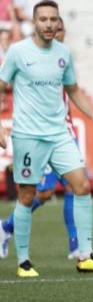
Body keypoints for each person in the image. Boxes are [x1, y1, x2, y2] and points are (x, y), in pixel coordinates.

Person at [0, 0, 93, 278]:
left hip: (59, 135)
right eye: (44, 19)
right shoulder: (17, 52)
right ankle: (24, 261)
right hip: (28, 136)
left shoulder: (64, 53)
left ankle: (85, 255)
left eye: (54, 19)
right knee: (28, 196)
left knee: (82, 186)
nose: (49, 24)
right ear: (34, 22)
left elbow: (73, 89)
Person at [0, 17, 80, 260]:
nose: (57, 34)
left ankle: (76, 247)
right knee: (42, 194)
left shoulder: (64, 59)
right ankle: (6, 227)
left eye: (61, 30)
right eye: (53, 30)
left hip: (66, 134)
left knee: (75, 187)